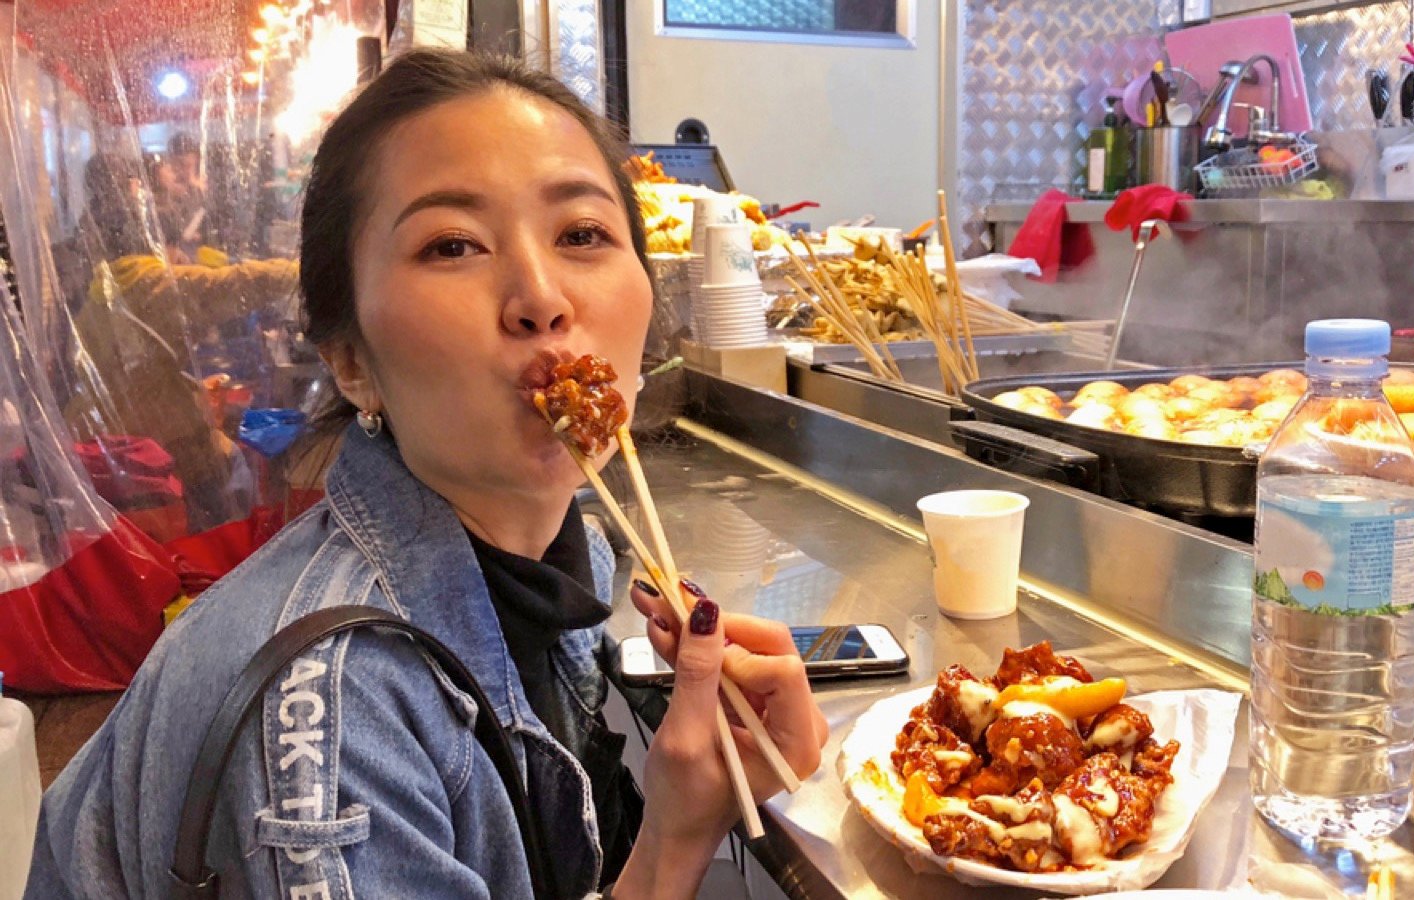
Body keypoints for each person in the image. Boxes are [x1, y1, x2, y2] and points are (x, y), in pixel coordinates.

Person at [25, 48, 827, 899]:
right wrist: (674, 847)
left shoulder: (566, 552)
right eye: (453, 245)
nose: (540, 295)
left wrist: (678, 819)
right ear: (351, 362)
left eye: (583, 234)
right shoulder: (338, 709)